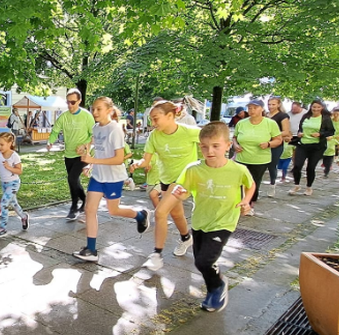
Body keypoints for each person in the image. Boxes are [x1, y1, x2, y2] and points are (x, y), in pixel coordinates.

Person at [171, 122, 255, 313]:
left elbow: (250, 184)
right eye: (205, 146)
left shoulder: (238, 170)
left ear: (227, 145)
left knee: (204, 262)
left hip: (224, 222)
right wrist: (179, 192)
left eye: (216, 146)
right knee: (200, 260)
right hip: (201, 220)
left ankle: (217, 287)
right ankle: (215, 287)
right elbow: (185, 191)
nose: (209, 151)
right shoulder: (193, 169)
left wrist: (246, 200)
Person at [72, 97, 150, 263]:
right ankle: (91, 249)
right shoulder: (96, 128)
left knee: (113, 211)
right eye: (93, 109)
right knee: (90, 209)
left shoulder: (115, 130)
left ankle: (140, 216)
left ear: (109, 110)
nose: (95, 112)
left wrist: (93, 161)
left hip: (114, 177)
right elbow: (95, 144)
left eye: (99, 109)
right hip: (98, 176)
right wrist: (86, 152)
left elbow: (118, 159)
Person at [129, 101, 198, 271]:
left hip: (185, 179)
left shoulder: (190, 132)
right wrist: (138, 163)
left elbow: (214, 139)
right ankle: (186, 237)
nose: (153, 124)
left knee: (160, 212)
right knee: (177, 214)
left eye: (155, 119)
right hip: (166, 179)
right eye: (151, 120)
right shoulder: (154, 136)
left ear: (170, 116)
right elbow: (146, 160)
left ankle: (156, 254)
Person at [48, 88, 96, 221]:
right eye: (68, 102)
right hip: (68, 154)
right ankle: (84, 200)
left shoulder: (87, 116)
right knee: (73, 180)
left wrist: (85, 145)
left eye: (73, 102)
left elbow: (94, 135)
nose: (70, 105)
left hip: (83, 155)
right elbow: (55, 131)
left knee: (72, 178)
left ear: (79, 101)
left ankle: (74, 206)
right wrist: (50, 142)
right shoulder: (64, 117)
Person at [232, 100, 281, 213]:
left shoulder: (270, 123)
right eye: (249, 108)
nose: (252, 110)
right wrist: (235, 145)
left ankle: (249, 204)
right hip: (242, 158)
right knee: (239, 182)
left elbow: (278, 140)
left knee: (253, 182)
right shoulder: (241, 123)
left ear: (262, 109)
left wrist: (268, 144)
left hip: (260, 159)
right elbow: (234, 137)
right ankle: (239, 203)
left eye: (255, 108)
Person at [290, 100, 335, 196]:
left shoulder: (325, 118)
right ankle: (296, 185)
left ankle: (309, 187)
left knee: (310, 167)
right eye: (314, 107)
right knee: (297, 166)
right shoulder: (306, 116)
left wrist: (320, 134)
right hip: (303, 144)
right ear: (311, 107)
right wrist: (300, 133)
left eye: (318, 107)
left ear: (322, 107)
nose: (316, 109)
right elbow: (301, 128)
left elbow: (331, 131)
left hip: (317, 146)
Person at [266, 97, 291, 197]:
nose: (271, 106)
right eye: (269, 104)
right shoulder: (265, 115)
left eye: (273, 104)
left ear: (278, 105)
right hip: (264, 143)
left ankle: (272, 185)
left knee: (272, 165)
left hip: (276, 144)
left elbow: (285, 131)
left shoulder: (283, 116)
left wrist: (274, 135)